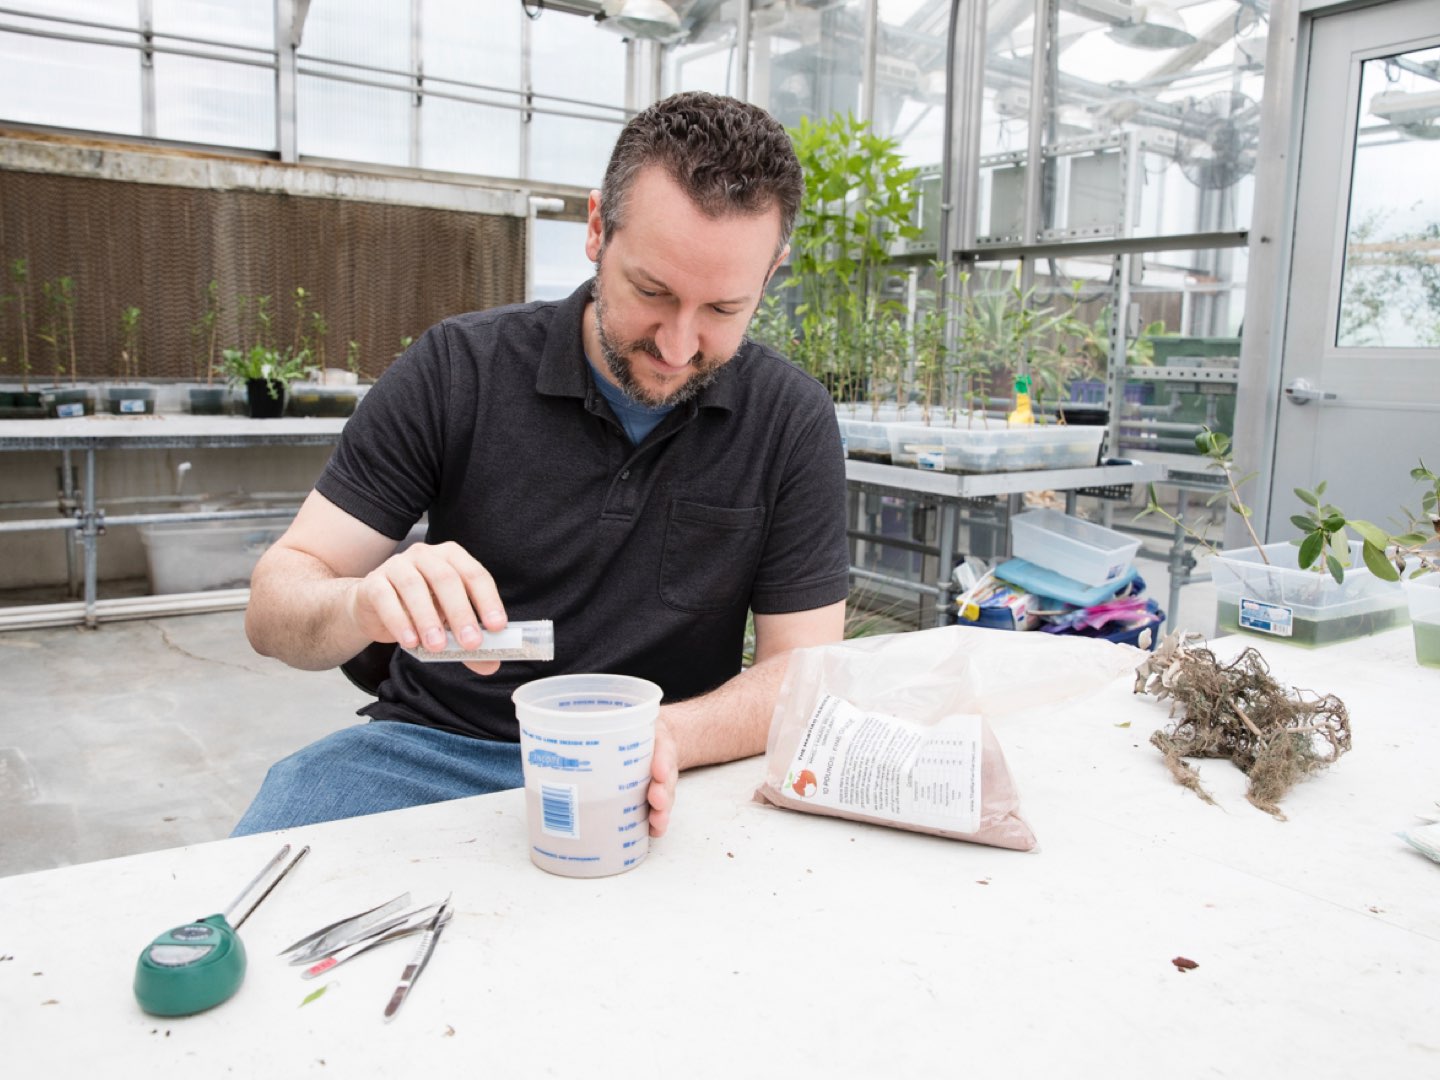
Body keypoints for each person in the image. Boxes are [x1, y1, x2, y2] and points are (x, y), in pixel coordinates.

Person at [233, 91, 851, 838]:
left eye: (724, 309)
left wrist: (667, 736)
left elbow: (804, 673)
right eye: (651, 292)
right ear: (596, 229)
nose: (678, 346)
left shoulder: (789, 419)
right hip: (438, 750)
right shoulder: (459, 369)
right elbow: (274, 608)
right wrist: (361, 603)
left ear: (771, 273)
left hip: (659, 768)